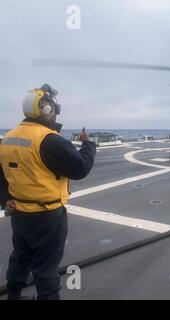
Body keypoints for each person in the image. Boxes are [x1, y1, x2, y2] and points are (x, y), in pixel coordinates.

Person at [0, 84, 96, 300]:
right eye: (52, 108)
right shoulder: (49, 140)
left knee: (20, 257)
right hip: (48, 216)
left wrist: (5, 199)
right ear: (45, 109)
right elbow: (80, 168)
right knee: (46, 268)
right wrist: (89, 145)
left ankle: (13, 295)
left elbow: (2, 175)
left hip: (20, 214)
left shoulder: (7, 138)